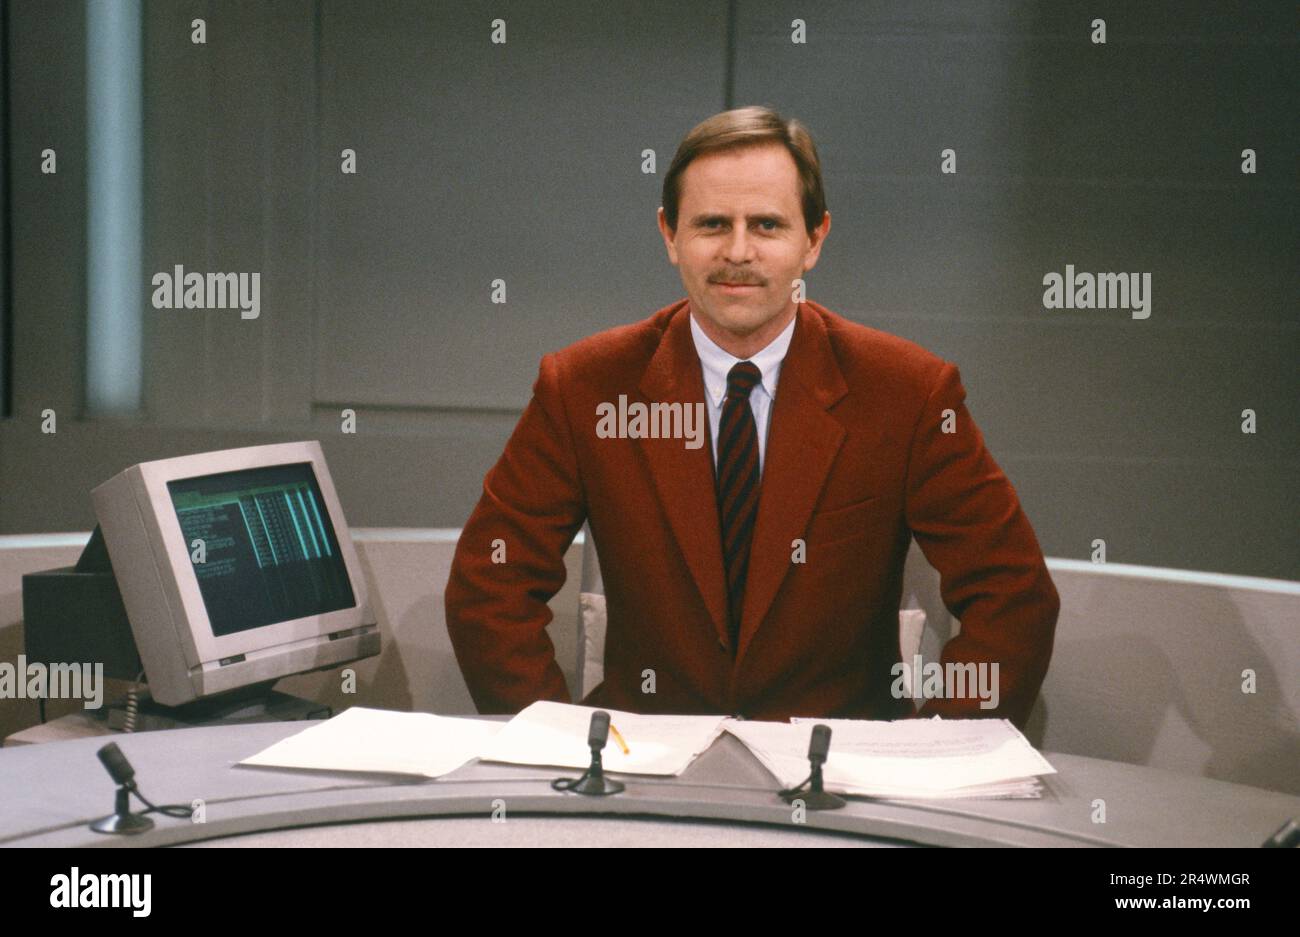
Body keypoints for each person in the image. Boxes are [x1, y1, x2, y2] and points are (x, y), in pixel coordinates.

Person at [445, 106, 1058, 729]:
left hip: (835, 778)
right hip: (644, 773)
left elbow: (1014, 600)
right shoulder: (586, 387)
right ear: (669, 235)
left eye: (767, 224)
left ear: (813, 239)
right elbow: (489, 587)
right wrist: (559, 742)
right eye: (712, 224)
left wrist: (925, 761)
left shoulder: (907, 392)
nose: (738, 252)